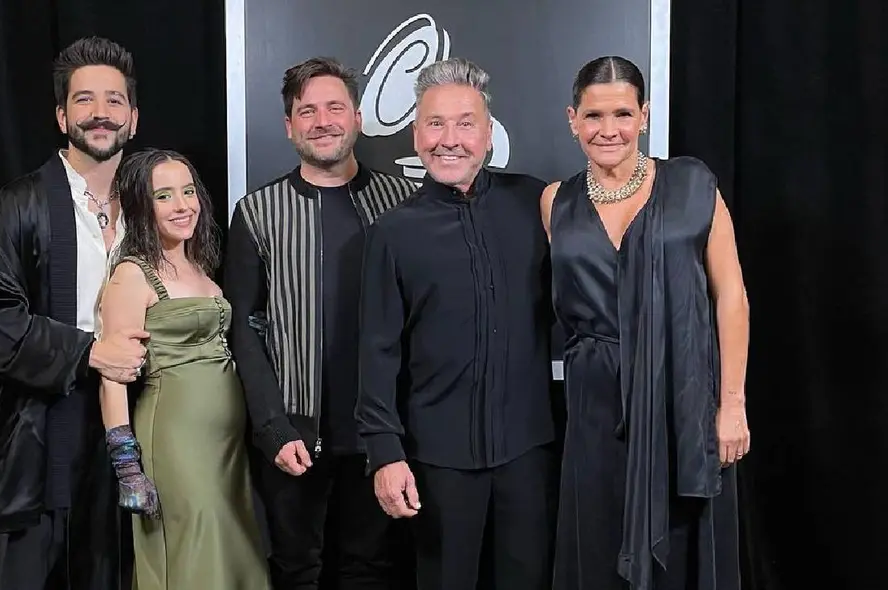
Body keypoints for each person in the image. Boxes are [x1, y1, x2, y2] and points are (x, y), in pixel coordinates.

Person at [540, 55, 750, 590]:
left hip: (680, 393)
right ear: (572, 119)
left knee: (682, 540)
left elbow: (732, 298)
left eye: (621, 114)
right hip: (594, 400)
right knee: (600, 536)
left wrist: (732, 404)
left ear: (645, 115)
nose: (607, 130)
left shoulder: (691, 185)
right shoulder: (555, 203)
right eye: (593, 116)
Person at [355, 57, 559, 590]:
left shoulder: (535, 203)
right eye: (435, 124)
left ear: (489, 134)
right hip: (436, 462)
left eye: (465, 123)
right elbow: (377, 353)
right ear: (416, 133)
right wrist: (385, 454)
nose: (450, 139)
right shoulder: (392, 234)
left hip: (529, 452)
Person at [223, 56, 417, 589]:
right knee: (295, 571)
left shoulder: (401, 201)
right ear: (289, 126)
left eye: (334, 107)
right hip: (292, 436)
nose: (322, 120)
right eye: (306, 111)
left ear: (357, 117)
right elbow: (243, 327)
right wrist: (272, 427)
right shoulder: (258, 212)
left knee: (373, 571)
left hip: (380, 435)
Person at [0, 37, 146, 590]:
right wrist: (92, 352)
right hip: (41, 435)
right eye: (85, 100)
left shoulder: (154, 207)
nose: (100, 113)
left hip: (136, 432)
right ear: (62, 114)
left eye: (114, 101)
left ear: (133, 119)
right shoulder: (21, 203)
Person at [97, 148, 271, 588]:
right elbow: (113, 377)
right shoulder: (133, 275)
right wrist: (127, 467)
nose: (183, 205)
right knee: (196, 553)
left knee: (234, 551)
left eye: (189, 191)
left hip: (226, 448)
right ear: (141, 206)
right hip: (176, 443)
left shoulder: (200, 266)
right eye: (165, 196)